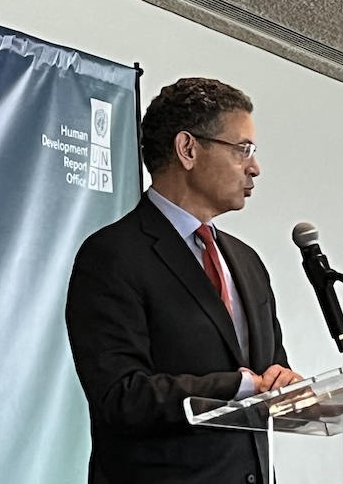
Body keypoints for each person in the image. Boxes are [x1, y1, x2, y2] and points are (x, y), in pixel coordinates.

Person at [66, 77, 302, 484]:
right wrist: (240, 386)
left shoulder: (247, 263)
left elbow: (270, 371)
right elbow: (121, 397)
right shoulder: (112, 255)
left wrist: (286, 385)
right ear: (188, 149)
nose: (255, 167)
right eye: (242, 149)